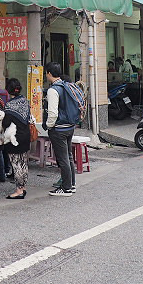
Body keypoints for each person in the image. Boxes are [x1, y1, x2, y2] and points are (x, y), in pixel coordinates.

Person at [44, 62, 84, 197]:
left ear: (49, 73)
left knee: (63, 159)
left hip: (59, 129)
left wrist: (49, 126)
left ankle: (66, 188)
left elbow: (53, 113)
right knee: (69, 156)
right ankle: (71, 185)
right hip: (69, 127)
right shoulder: (66, 85)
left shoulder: (53, 90)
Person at [2, 78, 32, 199]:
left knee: (16, 164)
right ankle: (23, 187)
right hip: (25, 135)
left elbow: (6, 122)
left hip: (14, 137)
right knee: (24, 162)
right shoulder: (25, 101)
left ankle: (19, 190)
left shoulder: (9, 105)